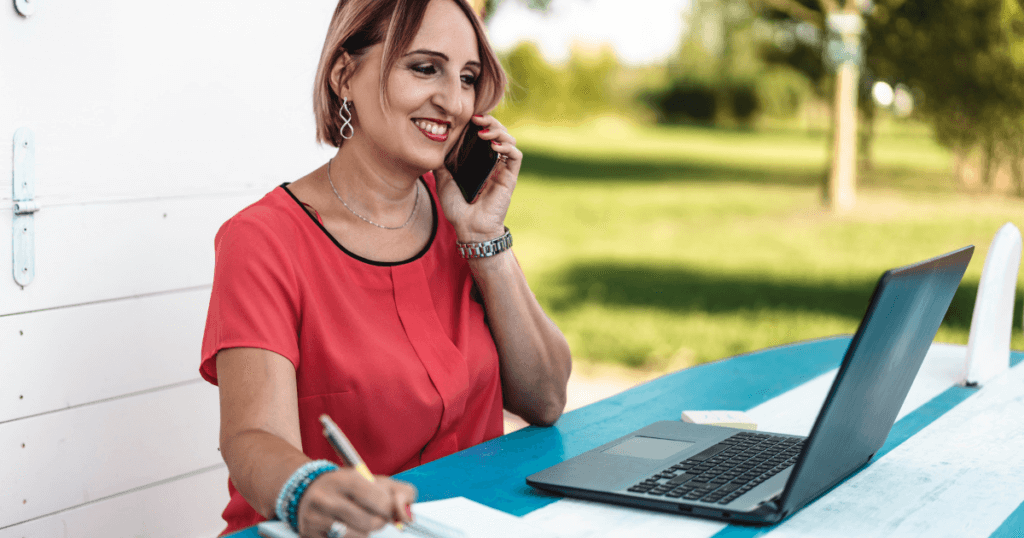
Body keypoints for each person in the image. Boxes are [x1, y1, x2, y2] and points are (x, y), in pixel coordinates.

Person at [199, 0, 573, 536]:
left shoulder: (456, 216)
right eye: (424, 68)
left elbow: (545, 398)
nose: (453, 101)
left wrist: (484, 239)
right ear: (343, 74)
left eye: (467, 78)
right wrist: (312, 489)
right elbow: (251, 437)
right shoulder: (263, 239)